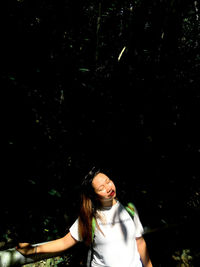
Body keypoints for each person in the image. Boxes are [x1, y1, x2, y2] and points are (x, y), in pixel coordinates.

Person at [17, 167, 153, 267]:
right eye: (101, 188)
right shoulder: (90, 216)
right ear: (94, 195)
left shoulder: (129, 209)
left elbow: (139, 241)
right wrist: (33, 250)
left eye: (108, 181)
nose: (108, 187)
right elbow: (65, 242)